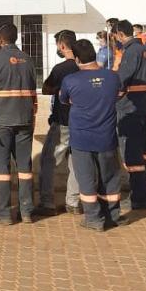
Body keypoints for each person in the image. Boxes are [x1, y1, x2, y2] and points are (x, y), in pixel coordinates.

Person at [60, 40, 126, 230]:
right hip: (107, 137)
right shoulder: (113, 77)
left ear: (78, 59)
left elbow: (65, 99)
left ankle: (93, 219)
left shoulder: (71, 80)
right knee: (110, 178)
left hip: (81, 139)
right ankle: (112, 216)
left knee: (87, 179)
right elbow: (119, 94)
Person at [0, 23, 37, 224]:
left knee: (1, 167)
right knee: (24, 167)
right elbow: (32, 89)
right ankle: (27, 211)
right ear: (16, 38)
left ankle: (3, 214)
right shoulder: (29, 60)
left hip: (1, 120)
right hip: (25, 119)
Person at [37, 30, 81, 216]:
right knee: (76, 163)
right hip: (82, 123)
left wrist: (58, 88)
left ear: (62, 46)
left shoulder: (61, 69)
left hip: (62, 121)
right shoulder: (85, 66)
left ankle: (47, 203)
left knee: (48, 160)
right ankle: (73, 202)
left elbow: (46, 88)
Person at [114, 20, 146, 209]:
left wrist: (112, 97)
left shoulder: (130, 52)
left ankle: (138, 197)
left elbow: (121, 80)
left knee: (132, 154)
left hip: (130, 107)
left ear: (121, 34)